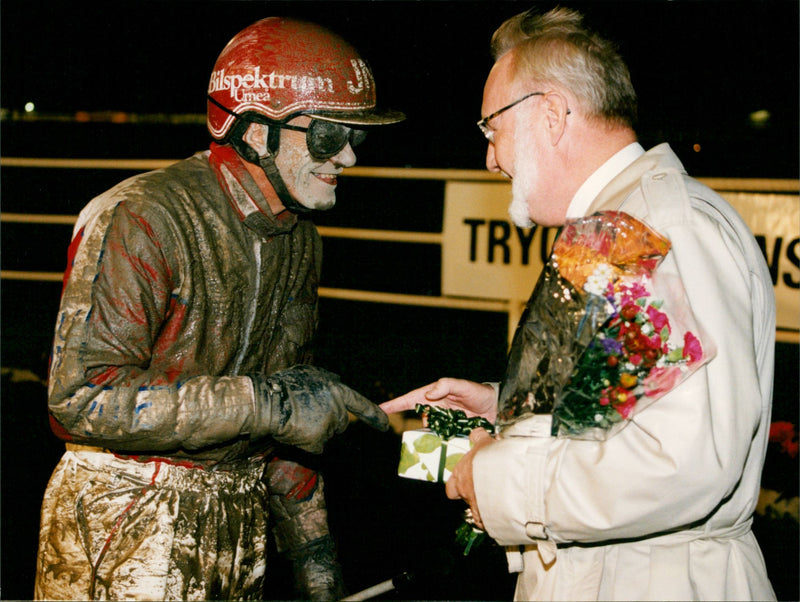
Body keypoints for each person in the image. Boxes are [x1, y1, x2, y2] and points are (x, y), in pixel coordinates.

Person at [382, 7, 776, 601]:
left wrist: (494, 479)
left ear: (551, 114)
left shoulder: (656, 230)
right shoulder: (616, 225)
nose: (490, 159)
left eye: (492, 130)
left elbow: (686, 462)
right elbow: (628, 403)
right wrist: (504, 411)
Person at [36, 17, 402, 601]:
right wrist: (265, 403)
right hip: (122, 518)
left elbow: (287, 424)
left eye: (358, 138)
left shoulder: (300, 237)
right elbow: (82, 398)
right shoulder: (142, 216)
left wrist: (315, 559)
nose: (351, 158)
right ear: (256, 131)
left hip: (237, 523)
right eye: (331, 136)